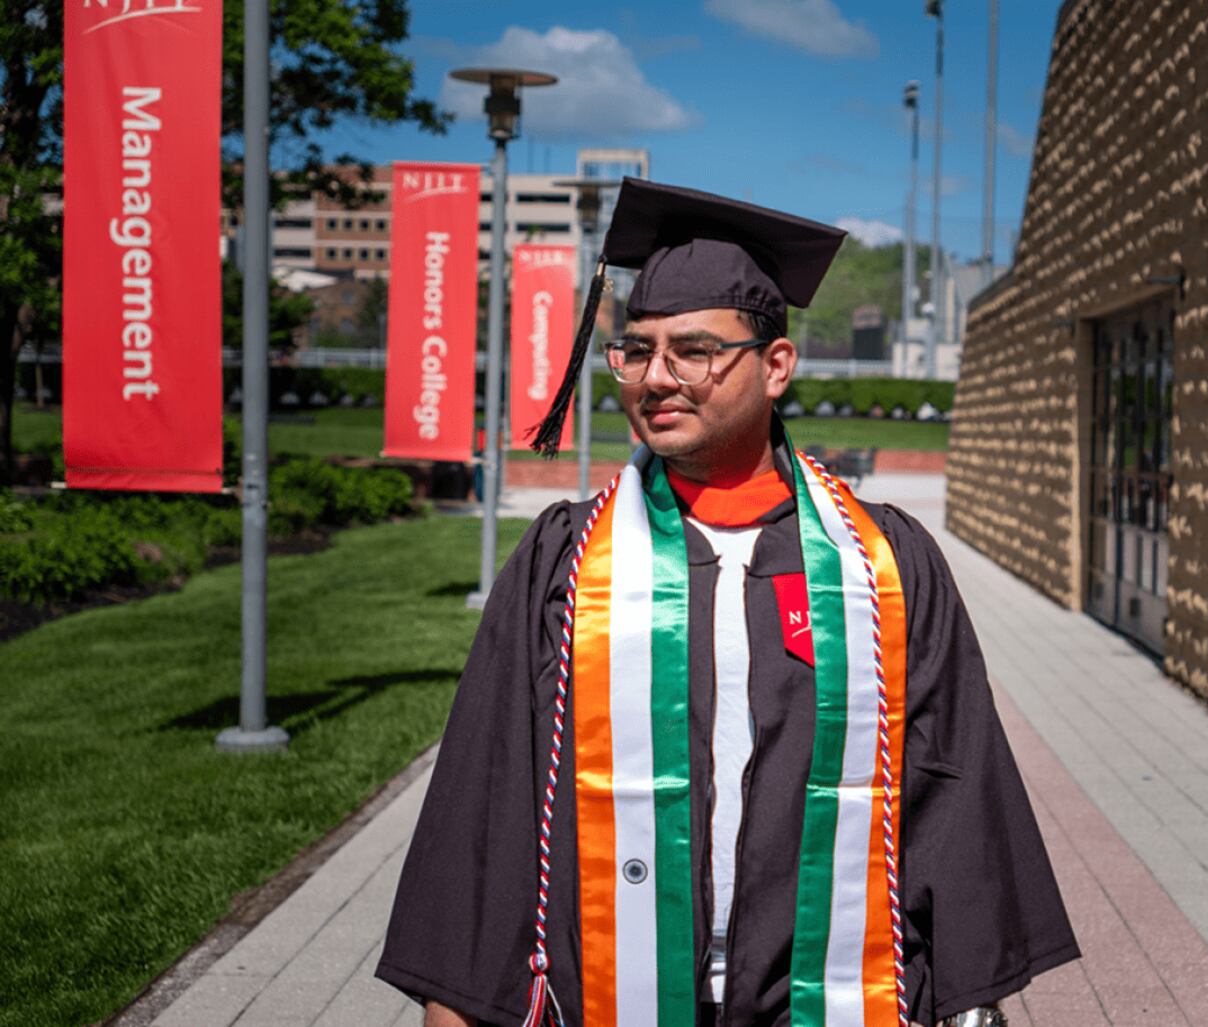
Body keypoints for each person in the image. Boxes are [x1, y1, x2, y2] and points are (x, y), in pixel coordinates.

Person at [377, 178, 1079, 1027]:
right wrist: (453, 1004)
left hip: (825, 997)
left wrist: (972, 1001)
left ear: (775, 366)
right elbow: (490, 787)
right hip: (605, 989)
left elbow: (953, 785)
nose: (656, 377)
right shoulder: (565, 560)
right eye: (636, 350)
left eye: (694, 350)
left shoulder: (882, 564)